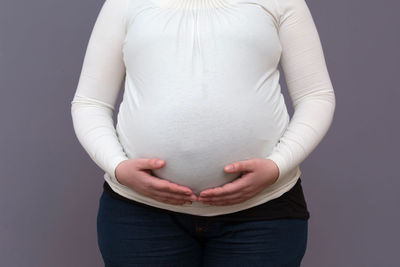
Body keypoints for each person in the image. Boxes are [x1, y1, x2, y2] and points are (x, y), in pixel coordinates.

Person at [70, 0, 336, 266]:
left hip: (262, 214)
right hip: (140, 214)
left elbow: (316, 96)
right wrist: (117, 168)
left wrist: (278, 166)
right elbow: (89, 102)